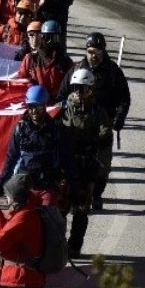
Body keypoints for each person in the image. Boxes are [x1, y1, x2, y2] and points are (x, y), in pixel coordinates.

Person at [57, 32, 130, 209]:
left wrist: (119, 118)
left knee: (102, 166)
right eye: (90, 51)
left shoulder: (113, 72)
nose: (93, 56)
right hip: (78, 125)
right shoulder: (76, 71)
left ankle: (97, 194)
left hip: (102, 125)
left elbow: (124, 98)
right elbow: (60, 96)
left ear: (103, 51)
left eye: (97, 51)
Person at [0, 85, 75, 208]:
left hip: (49, 183)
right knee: (16, 219)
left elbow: (68, 160)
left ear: (45, 106)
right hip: (24, 183)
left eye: (38, 107)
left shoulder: (57, 130)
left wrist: (73, 186)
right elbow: (11, 158)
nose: (34, 111)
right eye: (31, 107)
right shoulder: (20, 129)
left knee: (50, 221)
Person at [59, 69, 111, 258]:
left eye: (83, 88)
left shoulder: (98, 112)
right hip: (66, 166)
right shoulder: (62, 108)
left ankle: (74, 247)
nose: (78, 92)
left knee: (81, 211)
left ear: (91, 90)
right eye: (75, 88)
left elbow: (106, 144)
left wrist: (101, 177)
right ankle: (57, 245)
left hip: (87, 167)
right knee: (60, 209)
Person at [18, 20, 73, 98]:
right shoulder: (31, 58)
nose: (51, 42)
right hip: (37, 102)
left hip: (57, 103)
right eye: (47, 37)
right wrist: (31, 86)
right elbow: (21, 81)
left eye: (55, 38)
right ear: (42, 37)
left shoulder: (66, 61)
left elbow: (72, 85)